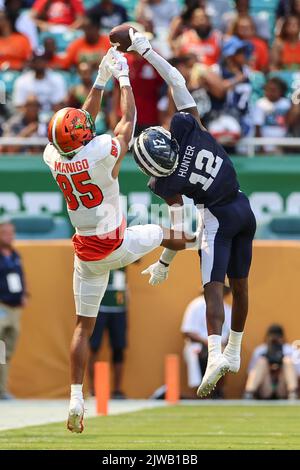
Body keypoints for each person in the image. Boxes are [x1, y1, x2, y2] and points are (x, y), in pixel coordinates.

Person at [43, 47, 195, 433]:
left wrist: (99, 79)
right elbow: (129, 119)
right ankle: (187, 248)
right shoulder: (99, 152)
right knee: (176, 233)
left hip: (85, 254)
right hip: (118, 244)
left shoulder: (52, 156)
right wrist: (123, 78)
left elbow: (81, 121)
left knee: (83, 327)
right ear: (82, 136)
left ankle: (76, 397)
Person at [128, 28, 256, 397]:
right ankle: (232, 350)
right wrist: (148, 52)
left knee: (212, 290)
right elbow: (177, 79)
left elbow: (181, 228)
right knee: (242, 286)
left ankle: (215, 352)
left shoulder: (165, 184)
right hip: (242, 206)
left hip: (216, 219)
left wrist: (166, 263)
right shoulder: (189, 128)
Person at [181, 285, 231, 397]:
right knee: (195, 353)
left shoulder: (227, 309)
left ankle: (218, 392)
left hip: (220, 347)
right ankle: (198, 392)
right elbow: (187, 332)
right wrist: (209, 343)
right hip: (198, 345)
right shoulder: (196, 305)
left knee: (225, 356)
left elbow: (230, 334)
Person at [88, 268, 127, 399]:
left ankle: (117, 390)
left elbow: (138, 258)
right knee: (93, 347)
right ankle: (92, 389)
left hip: (119, 308)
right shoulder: (102, 251)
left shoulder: (123, 253)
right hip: (100, 308)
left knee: (119, 348)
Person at [0, 219, 27, 400]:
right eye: (5, 233)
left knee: (7, 352)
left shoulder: (15, 255)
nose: (10, 236)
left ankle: (2, 389)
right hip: (1, 306)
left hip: (15, 308)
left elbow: (20, 277)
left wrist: (24, 294)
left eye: (11, 233)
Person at [244, 324, 298, 400]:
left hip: (282, 386)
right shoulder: (260, 350)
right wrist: (269, 368)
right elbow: (251, 372)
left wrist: (280, 368)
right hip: (266, 386)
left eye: (278, 336)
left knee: (287, 361)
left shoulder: (289, 350)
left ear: (282, 337)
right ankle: (249, 394)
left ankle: (293, 394)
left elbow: (297, 373)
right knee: (261, 361)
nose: (275, 339)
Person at [253, 77, 291, 154]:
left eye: (273, 90)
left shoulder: (287, 104)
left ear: (281, 91)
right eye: (267, 90)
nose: (270, 93)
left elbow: (289, 124)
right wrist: (261, 147)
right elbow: (257, 127)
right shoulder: (260, 104)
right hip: (266, 145)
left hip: (283, 145)